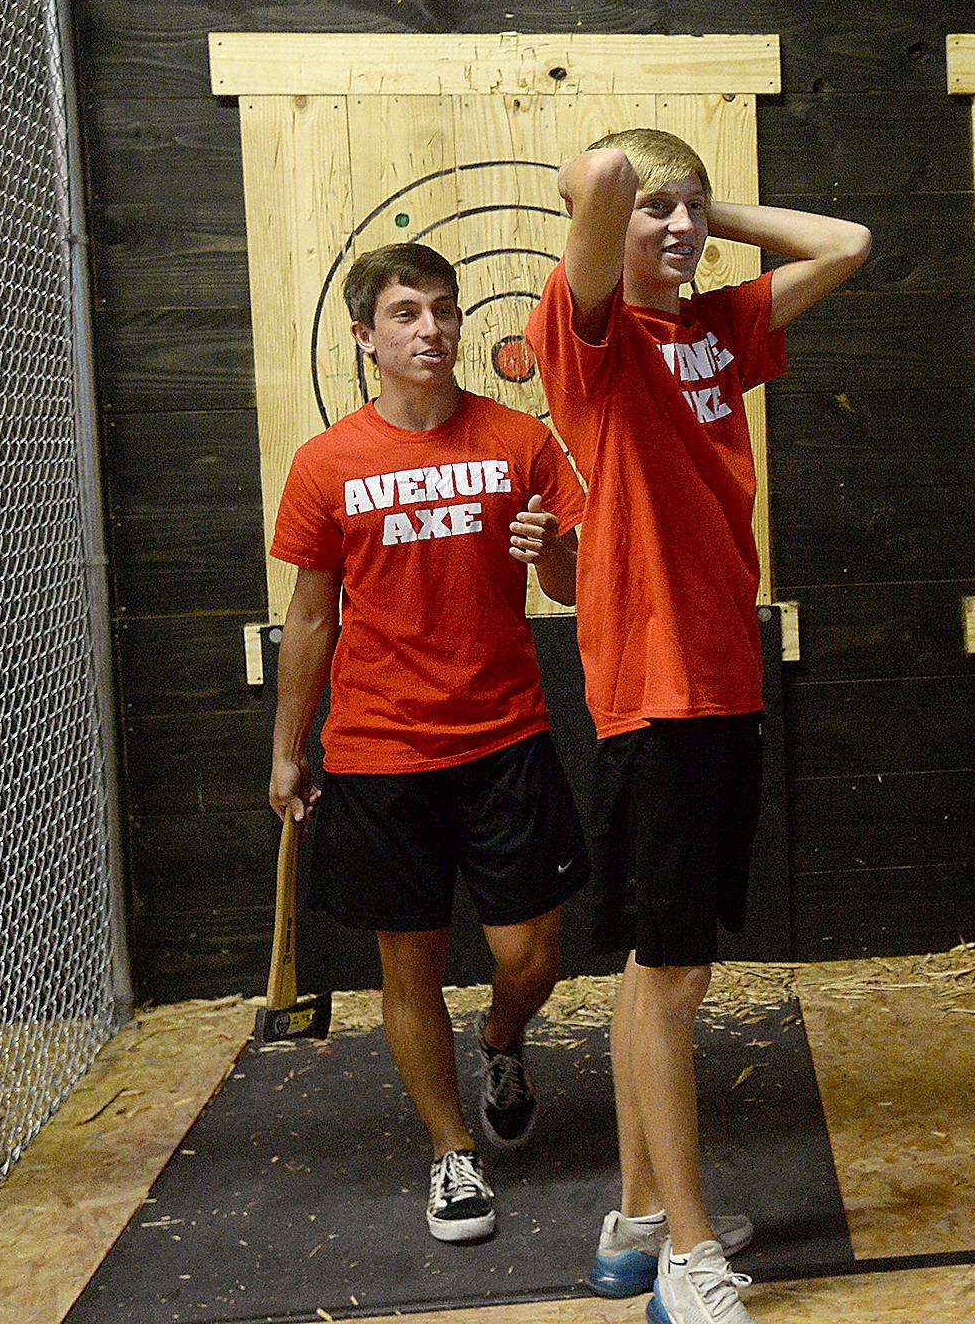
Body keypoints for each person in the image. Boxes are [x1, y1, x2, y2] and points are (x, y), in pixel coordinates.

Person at [525, 128, 868, 1322]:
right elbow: (601, 185)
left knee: (662, 970)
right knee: (670, 981)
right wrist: (625, 197)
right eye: (654, 209)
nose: (675, 225)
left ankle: (631, 1224)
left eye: (693, 208)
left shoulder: (716, 329)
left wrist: (704, 215)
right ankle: (684, 1256)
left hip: (724, 677)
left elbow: (850, 241)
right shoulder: (591, 342)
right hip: (654, 687)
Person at [268, 242, 590, 1244]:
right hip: (377, 747)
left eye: (442, 309)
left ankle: (500, 1038)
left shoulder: (518, 442)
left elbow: (574, 587)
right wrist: (288, 748)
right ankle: (451, 1153)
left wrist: (559, 552)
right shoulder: (327, 464)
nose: (430, 329)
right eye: (405, 313)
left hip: (504, 734)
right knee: (405, 967)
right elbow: (312, 617)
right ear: (365, 337)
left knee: (529, 952)